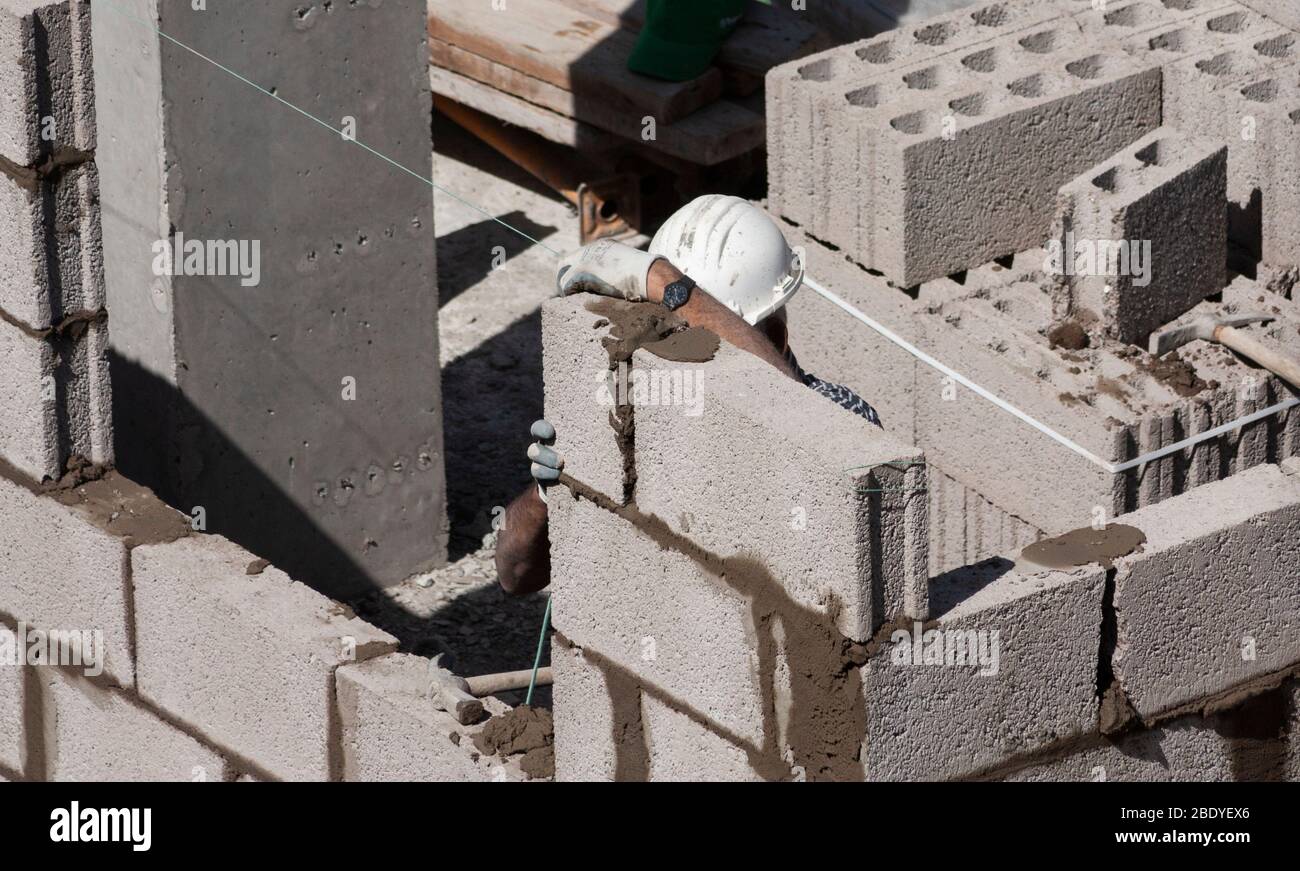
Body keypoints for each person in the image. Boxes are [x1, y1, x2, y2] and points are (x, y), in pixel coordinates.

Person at [495, 195, 880, 595]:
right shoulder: (640, 423)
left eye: (701, 347)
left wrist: (666, 285)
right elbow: (515, 576)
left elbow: (795, 418)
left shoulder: (844, 416)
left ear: (777, 339)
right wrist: (545, 495)